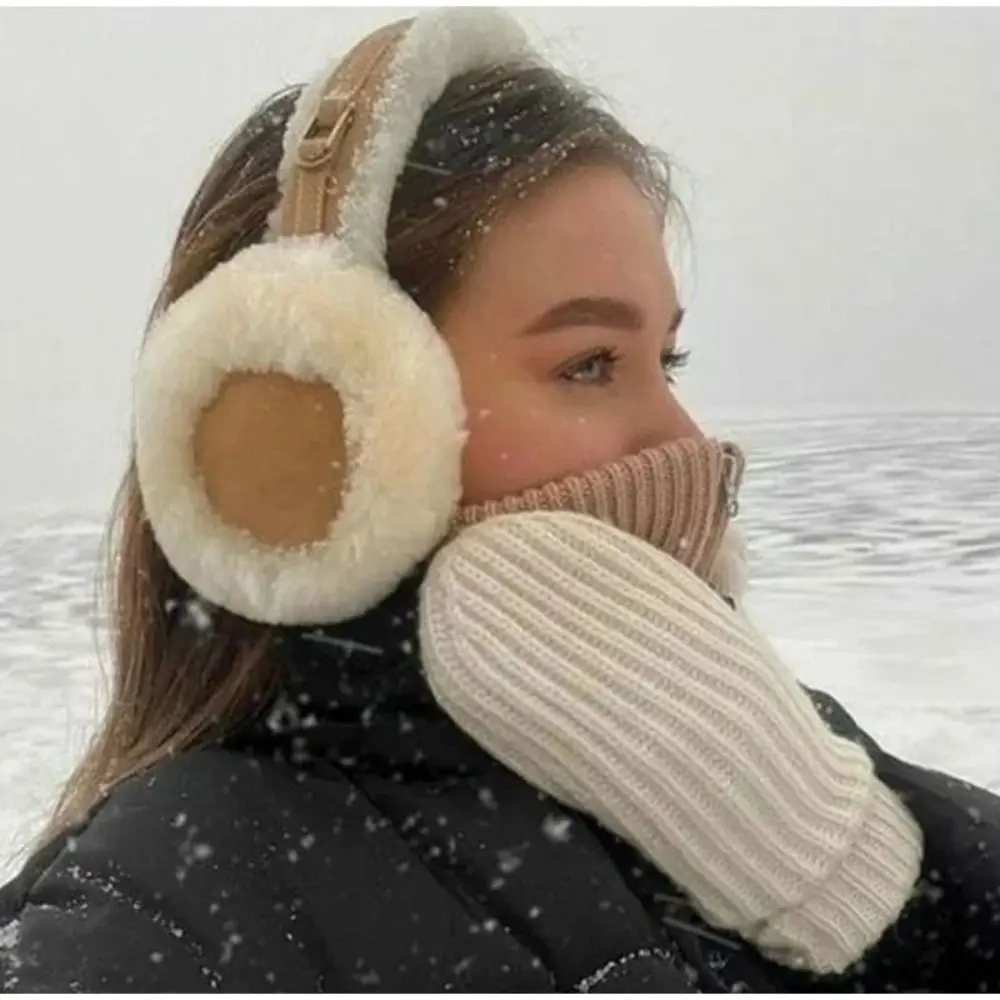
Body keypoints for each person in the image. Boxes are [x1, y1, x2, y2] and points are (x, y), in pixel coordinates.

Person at [2, 8, 999, 993]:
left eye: (669, 357)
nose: (685, 441)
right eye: (591, 362)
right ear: (324, 425)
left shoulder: (759, 747)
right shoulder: (186, 895)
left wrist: (874, 864)